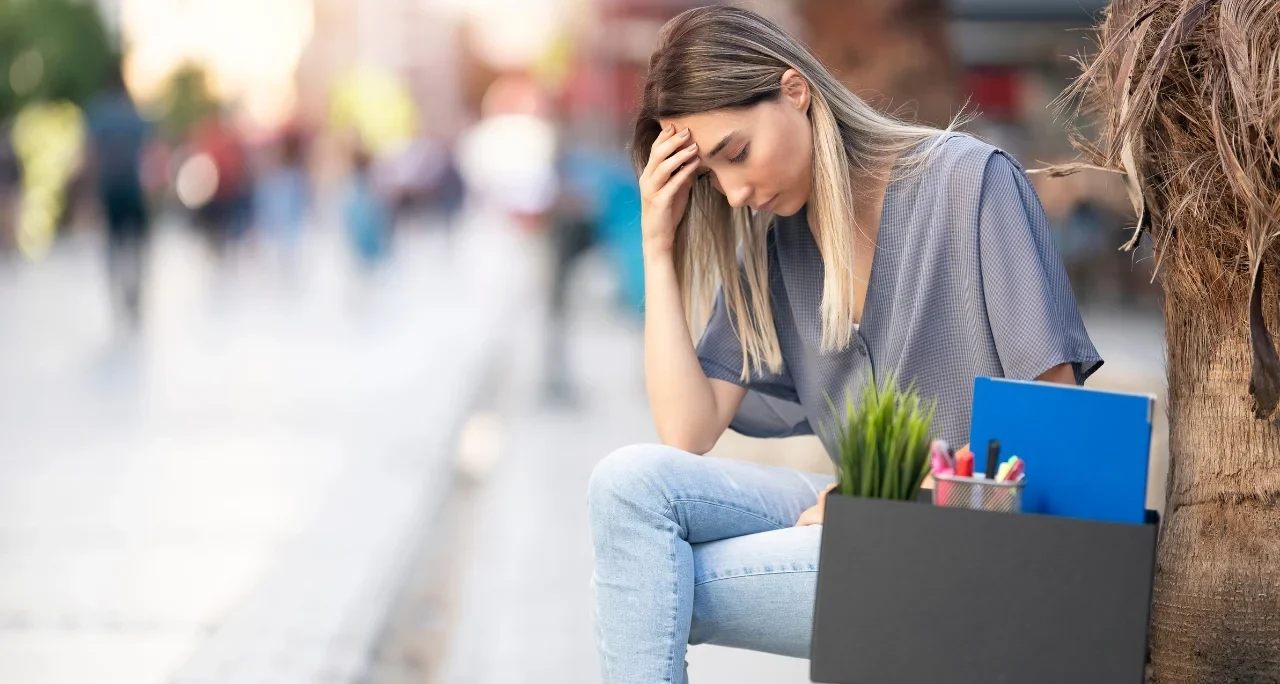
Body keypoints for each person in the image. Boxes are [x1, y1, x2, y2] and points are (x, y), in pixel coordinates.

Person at [585, 7, 1103, 683]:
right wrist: (658, 243)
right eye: (711, 176)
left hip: (983, 537)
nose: (735, 193)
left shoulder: (967, 184)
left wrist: (885, 499)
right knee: (628, 487)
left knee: (641, 581)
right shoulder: (776, 248)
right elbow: (685, 430)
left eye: (735, 152)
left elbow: (1052, 439)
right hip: (861, 514)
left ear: (795, 90)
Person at [86, 68, 151, 329]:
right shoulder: (134, 114)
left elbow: (90, 154)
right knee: (135, 243)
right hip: (133, 188)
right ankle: (133, 292)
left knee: (113, 244)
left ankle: (117, 296)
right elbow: (148, 154)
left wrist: (90, 192)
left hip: (108, 188)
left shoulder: (98, 114)